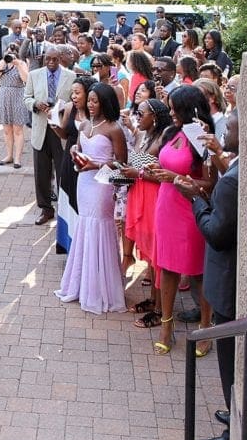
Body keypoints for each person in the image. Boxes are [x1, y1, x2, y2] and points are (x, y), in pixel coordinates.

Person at [175, 113, 240, 440]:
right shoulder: (236, 166)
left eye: (230, 127)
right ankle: (235, 410)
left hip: (227, 281)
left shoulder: (232, 180)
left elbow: (215, 232)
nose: (222, 131)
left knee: (229, 359)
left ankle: (233, 432)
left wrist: (194, 199)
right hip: (229, 278)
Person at [147, 85, 214, 355]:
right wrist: (156, 171)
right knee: (168, 266)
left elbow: (209, 183)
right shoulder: (170, 132)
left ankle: (207, 327)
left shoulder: (201, 137)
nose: (171, 112)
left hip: (190, 208)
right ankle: (166, 325)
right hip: (166, 205)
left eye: (175, 108)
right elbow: (164, 167)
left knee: (197, 270)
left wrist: (174, 178)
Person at [55, 83, 128, 314]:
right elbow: (77, 147)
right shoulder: (85, 124)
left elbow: (122, 164)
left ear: (106, 102)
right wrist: (76, 154)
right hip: (83, 182)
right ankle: (81, 284)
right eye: (90, 100)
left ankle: (100, 288)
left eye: (95, 101)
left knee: (99, 229)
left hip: (101, 185)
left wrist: (96, 164)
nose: (91, 104)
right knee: (84, 226)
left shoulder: (114, 129)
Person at [120, 99, 172, 326]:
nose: (137, 118)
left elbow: (164, 174)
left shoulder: (164, 137)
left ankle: (161, 310)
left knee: (157, 255)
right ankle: (153, 299)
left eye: (141, 114)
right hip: (137, 195)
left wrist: (137, 174)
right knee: (149, 257)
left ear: (155, 116)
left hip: (154, 199)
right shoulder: (140, 135)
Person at [23, 45, 77, 225]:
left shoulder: (71, 76)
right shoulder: (34, 74)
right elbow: (26, 98)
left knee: (63, 171)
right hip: (40, 130)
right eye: (48, 59)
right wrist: (36, 104)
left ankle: (64, 210)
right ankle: (46, 209)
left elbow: (74, 101)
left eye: (55, 59)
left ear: (61, 58)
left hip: (61, 130)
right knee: (42, 173)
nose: (51, 62)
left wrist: (62, 108)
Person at [51, 76, 96, 254]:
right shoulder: (70, 108)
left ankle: (83, 246)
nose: (74, 96)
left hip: (88, 161)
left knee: (82, 203)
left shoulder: (95, 113)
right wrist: (54, 125)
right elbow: (64, 134)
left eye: (78, 93)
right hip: (69, 157)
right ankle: (69, 244)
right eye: (72, 93)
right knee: (68, 198)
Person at [0, 43, 29, 168]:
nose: (10, 55)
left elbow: (26, 79)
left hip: (18, 96)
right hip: (4, 96)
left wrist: (18, 64)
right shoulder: (2, 62)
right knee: (7, 130)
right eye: (8, 52)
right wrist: (2, 63)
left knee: (18, 130)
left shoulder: (22, 63)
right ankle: (9, 155)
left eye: (12, 53)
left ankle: (17, 158)